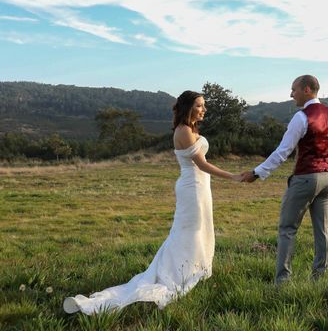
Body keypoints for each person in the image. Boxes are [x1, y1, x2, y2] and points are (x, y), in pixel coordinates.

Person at [64, 91, 242, 314]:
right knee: (188, 231)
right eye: (199, 105)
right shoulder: (184, 130)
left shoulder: (190, 129)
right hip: (193, 188)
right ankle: (179, 274)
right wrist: (233, 176)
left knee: (197, 229)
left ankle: (195, 268)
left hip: (200, 187)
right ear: (188, 108)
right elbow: (202, 165)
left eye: (203, 105)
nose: (204, 109)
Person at [241, 75, 328, 283]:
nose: (291, 94)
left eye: (294, 90)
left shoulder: (301, 117)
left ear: (307, 90)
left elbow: (283, 151)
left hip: (306, 177)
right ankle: (320, 278)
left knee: (287, 229)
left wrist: (257, 172)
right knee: (323, 229)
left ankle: (282, 281)